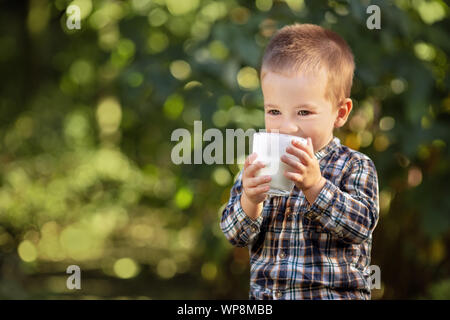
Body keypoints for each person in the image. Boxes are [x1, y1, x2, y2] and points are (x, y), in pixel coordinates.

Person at [220, 23, 379, 300]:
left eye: (304, 112)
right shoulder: (258, 166)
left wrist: (316, 186)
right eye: (274, 111)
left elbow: (360, 226)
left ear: (340, 113)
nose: (287, 127)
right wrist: (250, 200)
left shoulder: (354, 165)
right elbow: (234, 235)